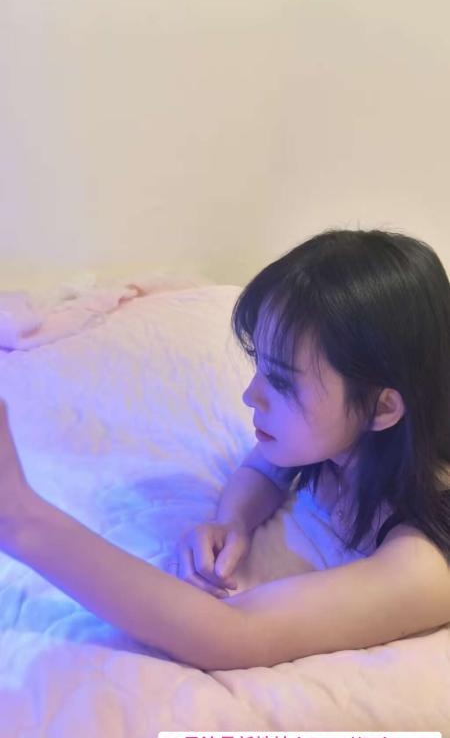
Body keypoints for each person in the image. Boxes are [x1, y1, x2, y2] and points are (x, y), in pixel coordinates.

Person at [0, 228, 449, 671]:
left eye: (281, 381)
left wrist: (22, 520)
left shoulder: (427, 560)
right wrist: (233, 520)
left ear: (382, 408)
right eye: (260, 365)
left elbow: (237, 634)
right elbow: (266, 466)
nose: (251, 395)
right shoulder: (352, 443)